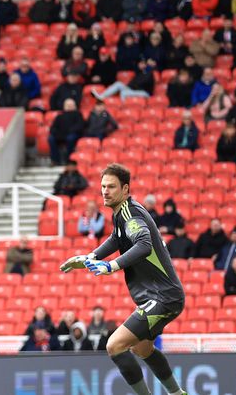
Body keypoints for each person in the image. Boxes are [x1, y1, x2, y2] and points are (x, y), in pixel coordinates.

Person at [59, 164, 186, 395]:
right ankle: (177, 394)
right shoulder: (121, 213)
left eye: (111, 187)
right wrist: (90, 257)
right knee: (142, 349)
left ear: (125, 189)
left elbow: (144, 245)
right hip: (161, 296)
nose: (105, 191)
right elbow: (116, 239)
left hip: (162, 297)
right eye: (103, 187)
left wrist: (111, 266)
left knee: (115, 345)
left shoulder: (131, 213)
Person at [48, 99, 85, 165]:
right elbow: (53, 127)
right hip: (61, 135)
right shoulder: (59, 116)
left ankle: (68, 160)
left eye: (71, 105)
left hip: (73, 134)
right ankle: (55, 160)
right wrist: (55, 132)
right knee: (51, 139)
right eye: (68, 105)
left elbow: (80, 126)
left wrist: (70, 131)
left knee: (70, 138)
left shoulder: (78, 114)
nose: (69, 106)